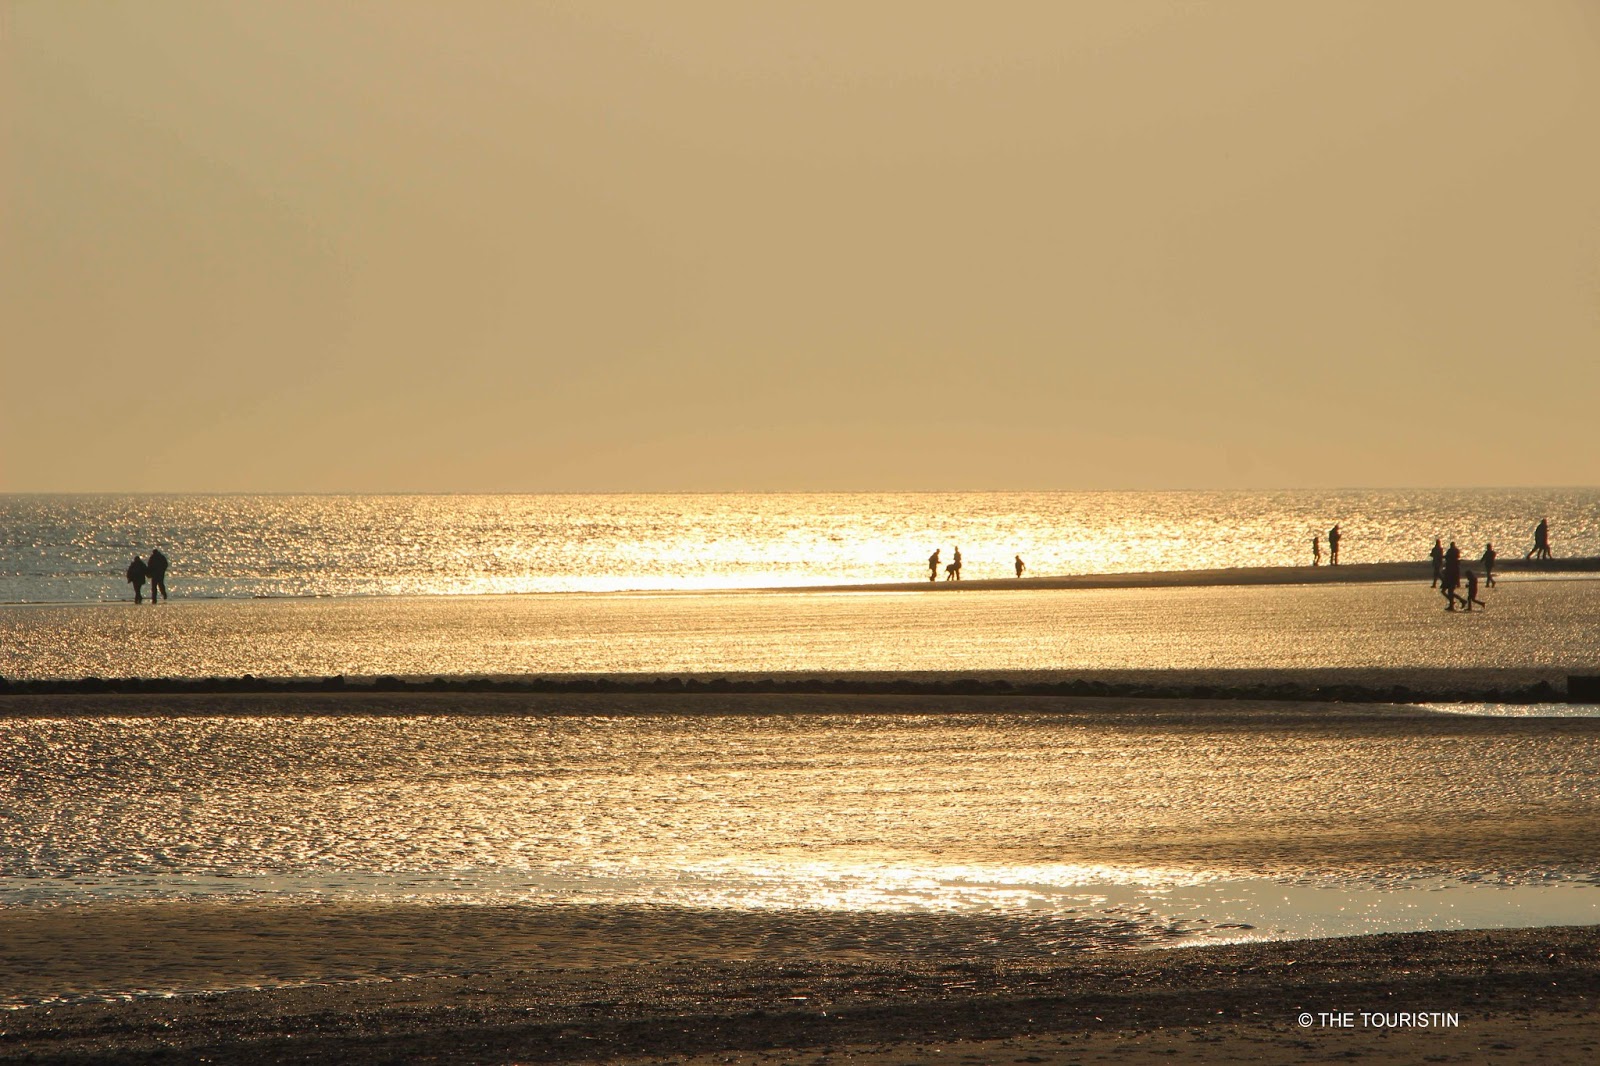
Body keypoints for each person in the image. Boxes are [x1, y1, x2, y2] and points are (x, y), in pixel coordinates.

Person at [1441, 540, 1462, 610]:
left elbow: (1456, 573)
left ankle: (1452, 604)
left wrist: (1458, 582)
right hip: (1449, 578)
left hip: (1450, 578)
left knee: (1449, 591)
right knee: (1446, 591)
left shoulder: (1453, 564)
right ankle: (1454, 602)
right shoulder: (1453, 563)